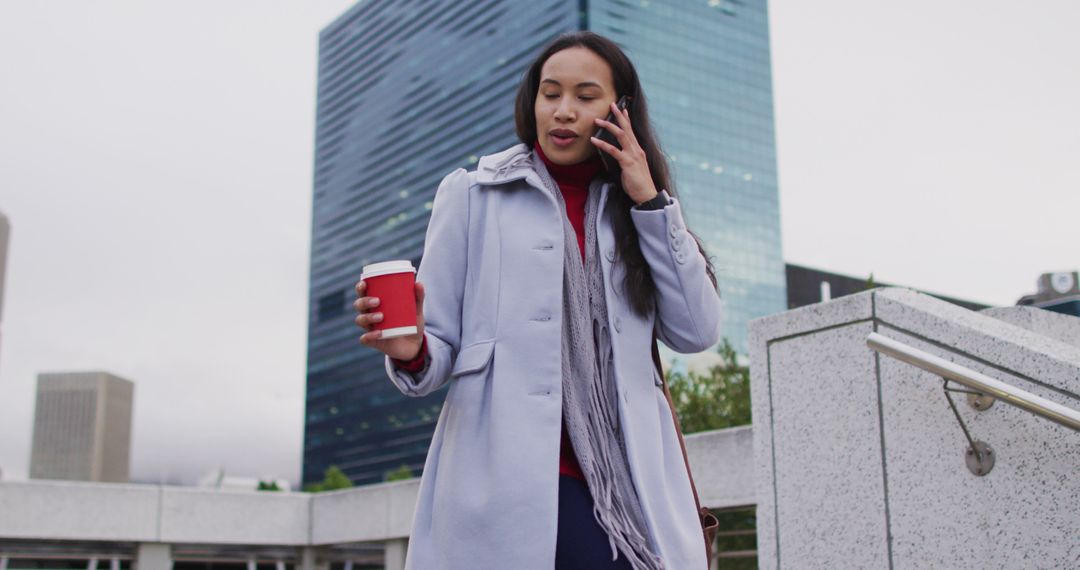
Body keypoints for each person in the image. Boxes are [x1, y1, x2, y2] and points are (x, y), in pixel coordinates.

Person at [353, 31, 721, 570]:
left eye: (585, 95)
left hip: (630, 484)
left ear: (620, 110)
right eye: (551, 94)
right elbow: (441, 349)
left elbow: (696, 330)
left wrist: (650, 201)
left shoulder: (637, 208)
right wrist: (412, 347)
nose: (563, 111)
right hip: (508, 480)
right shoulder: (473, 193)